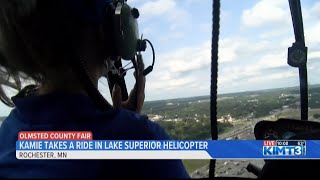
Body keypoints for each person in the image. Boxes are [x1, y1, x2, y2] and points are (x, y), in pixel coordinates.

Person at [0, 0, 190, 178]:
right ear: (112, 26)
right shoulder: (144, 142)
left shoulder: (9, 130)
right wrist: (127, 129)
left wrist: (118, 123)